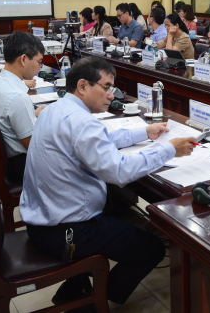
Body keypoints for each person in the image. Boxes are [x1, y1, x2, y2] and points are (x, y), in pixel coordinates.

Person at [20, 57, 196, 306]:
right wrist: (168, 150)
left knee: (115, 210)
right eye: (106, 87)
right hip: (68, 232)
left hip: (44, 220)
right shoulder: (81, 122)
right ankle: (94, 302)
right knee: (152, 249)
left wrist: (145, 132)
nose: (111, 95)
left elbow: (100, 139)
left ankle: (72, 292)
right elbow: (119, 171)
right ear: (82, 86)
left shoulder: (56, 109)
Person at [0, 32, 46, 183]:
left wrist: (33, 113)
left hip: (2, 160)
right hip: (21, 165)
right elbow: (33, 146)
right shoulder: (18, 97)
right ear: (24, 59)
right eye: (39, 62)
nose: (39, 67)